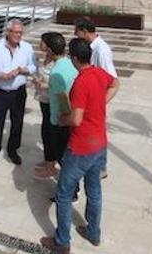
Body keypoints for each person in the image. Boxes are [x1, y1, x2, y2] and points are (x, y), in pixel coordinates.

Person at [41, 38, 120, 253]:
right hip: (99, 144)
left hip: (81, 146)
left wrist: (60, 119)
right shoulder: (98, 73)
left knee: (64, 194)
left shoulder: (81, 82)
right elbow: (116, 83)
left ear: (75, 58)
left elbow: (75, 120)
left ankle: (62, 241)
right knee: (94, 190)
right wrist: (100, 103)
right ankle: (93, 232)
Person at [0, 18, 37, 166]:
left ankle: (13, 150)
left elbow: (33, 66)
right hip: (0, 91)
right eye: (15, 32)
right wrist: (4, 75)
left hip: (18, 92)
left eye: (21, 33)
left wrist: (22, 70)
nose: (18, 35)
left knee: (17, 122)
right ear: (8, 32)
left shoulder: (27, 47)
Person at [74, 17, 117, 179]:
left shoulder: (101, 50)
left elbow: (113, 80)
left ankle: (101, 167)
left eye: (77, 31)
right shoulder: (91, 47)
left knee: (98, 131)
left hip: (95, 99)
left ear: (84, 31)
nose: (75, 34)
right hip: (90, 97)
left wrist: (101, 102)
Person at [33, 32, 77, 180]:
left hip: (59, 115)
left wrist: (64, 118)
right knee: (53, 142)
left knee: (61, 151)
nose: (40, 45)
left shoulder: (57, 70)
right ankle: (53, 166)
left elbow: (62, 96)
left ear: (50, 49)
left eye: (43, 43)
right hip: (56, 112)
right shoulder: (68, 64)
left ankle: (70, 187)